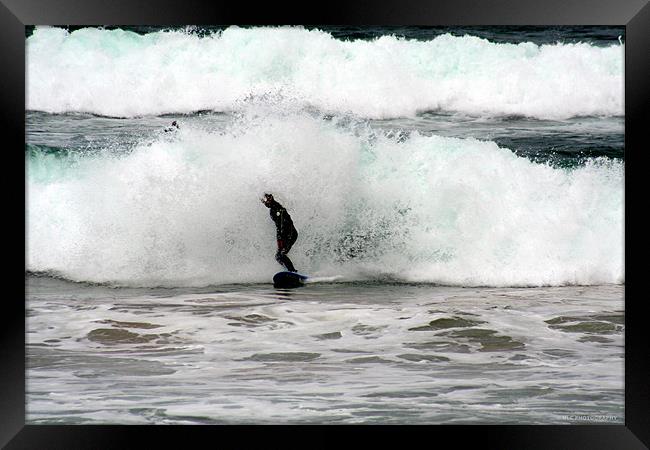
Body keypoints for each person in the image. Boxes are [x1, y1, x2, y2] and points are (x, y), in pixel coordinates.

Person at [261, 193, 298, 272]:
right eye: (264, 201)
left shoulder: (278, 208)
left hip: (291, 234)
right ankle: (288, 270)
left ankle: (292, 271)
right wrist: (279, 238)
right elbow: (278, 227)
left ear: (271, 198)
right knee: (278, 256)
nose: (265, 203)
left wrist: (283, 237)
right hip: (284, 235)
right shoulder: (272, 210)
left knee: (282, 254)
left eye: (266, 200)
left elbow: (286, 224)